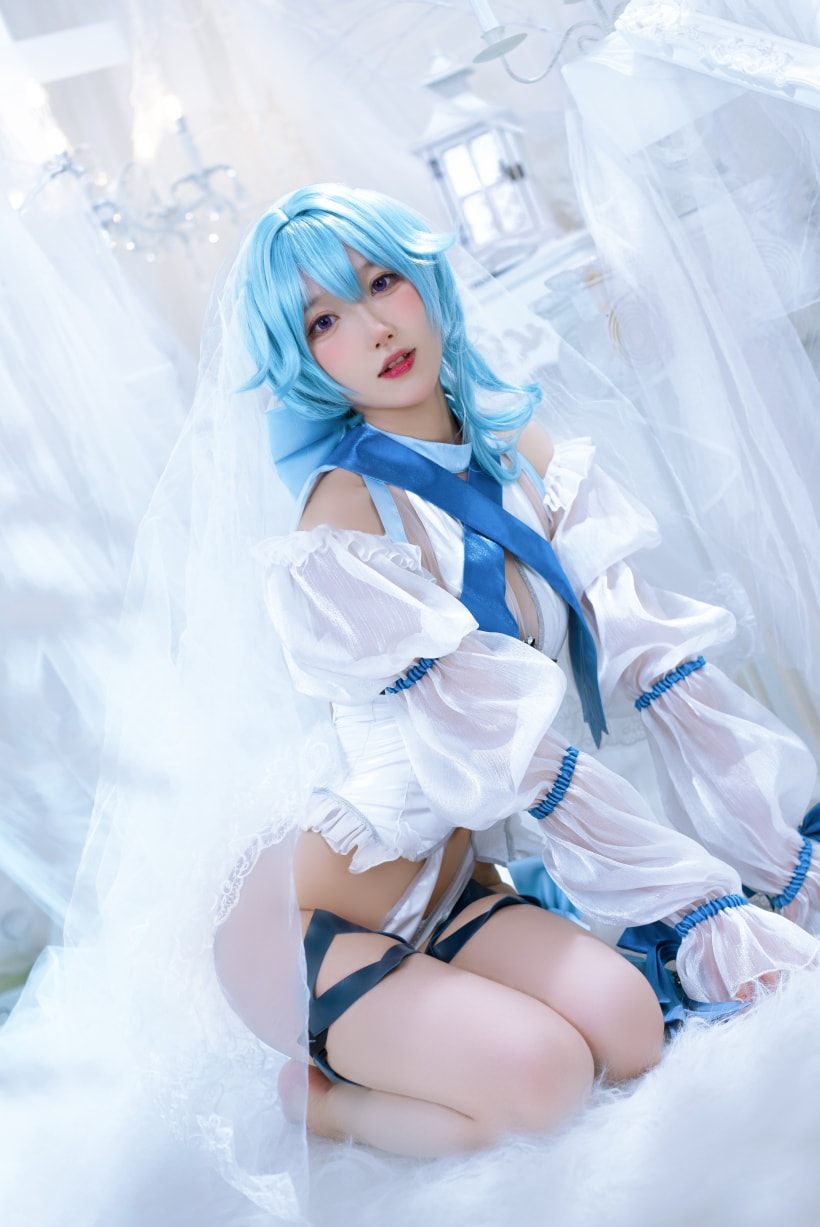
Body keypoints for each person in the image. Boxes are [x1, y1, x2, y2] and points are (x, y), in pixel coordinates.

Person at [209, 183, 820, 1160]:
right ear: (302, 357)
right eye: (325, 320)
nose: (373, 329)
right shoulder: (343, 518)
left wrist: (779, 863)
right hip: (309, 920)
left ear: (425, 278)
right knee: (547, 1081)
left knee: (631, 1031)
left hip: (457, 886)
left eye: (381, 283)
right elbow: (514, 754)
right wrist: (698, 902)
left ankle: (438, 1021)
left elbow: (654, 659)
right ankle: (319, 1099)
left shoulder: (515, 444)